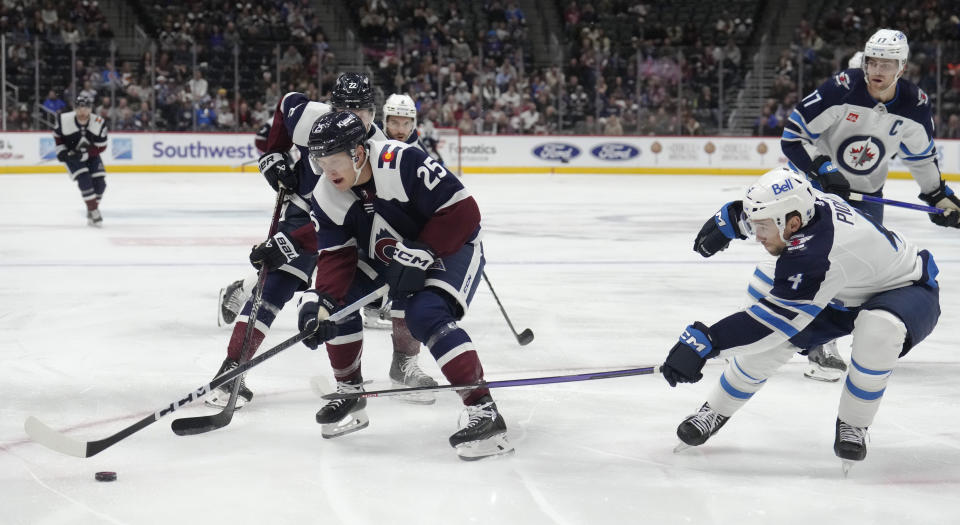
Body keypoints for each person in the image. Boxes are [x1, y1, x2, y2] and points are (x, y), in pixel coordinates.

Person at [670, 168, 940, 472]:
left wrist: (707, 343)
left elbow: (771, 324)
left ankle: (855, 423)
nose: (756, 236)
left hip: (904, 288)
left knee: (879, 329)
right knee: (764, 348)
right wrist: (731, 220)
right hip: (845, 288)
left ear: (793, 223)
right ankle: (715, 411)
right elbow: (768, 213)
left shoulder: (817, 254)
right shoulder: (803, 209)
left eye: (761, 228)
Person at [209, 73, 438, 408]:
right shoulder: (311, 117)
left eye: (361, 110)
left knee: (370, 287)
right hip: (304, 214)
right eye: (345, 108)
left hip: (346, 224)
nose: (353, 117)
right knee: (276, 285)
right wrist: (272, 155)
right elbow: (287, 104)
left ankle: (396, 365)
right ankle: (232, 368)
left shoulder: (375, 145)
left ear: (372, 113)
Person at [295, 110, 513, 460]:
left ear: (358, 152)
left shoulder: (401, 162)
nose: (327, 171)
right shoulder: (325, 196)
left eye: (334, 160)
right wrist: (318, 303)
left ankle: (483, 410)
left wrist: (426, 250)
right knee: (334, 308)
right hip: (392, 255)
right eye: (320, 162)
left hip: (452, 245)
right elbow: (335, 258)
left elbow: (464, 212)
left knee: (424, 312)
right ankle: (350, 392)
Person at [780, 28, 959, 382]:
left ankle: (846, 335)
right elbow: (793, 136)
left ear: (902, 67)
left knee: (865, 272)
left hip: (869, 194)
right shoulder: (841, 88)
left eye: (887, 63)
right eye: (872, 60)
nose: (877, 69)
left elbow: (922, 157)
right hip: (822, 193)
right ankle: (814, 340)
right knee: (823, 264)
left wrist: (937, 194)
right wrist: (823, 170)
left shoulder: (914, 104)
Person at [54, 94, 109, 227]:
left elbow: (102, 146)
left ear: (91, 109)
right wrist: (61, 151)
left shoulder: (99, 123)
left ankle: (91, 208)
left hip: (92, 155)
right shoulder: (63, 119)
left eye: (86, 108)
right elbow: (58, 137)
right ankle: (94, 211)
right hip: (72, 155)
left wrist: (86, 154)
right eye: (79, 108)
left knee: (100, 184)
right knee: (84, 179)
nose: (82, 111)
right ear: (75, 108)